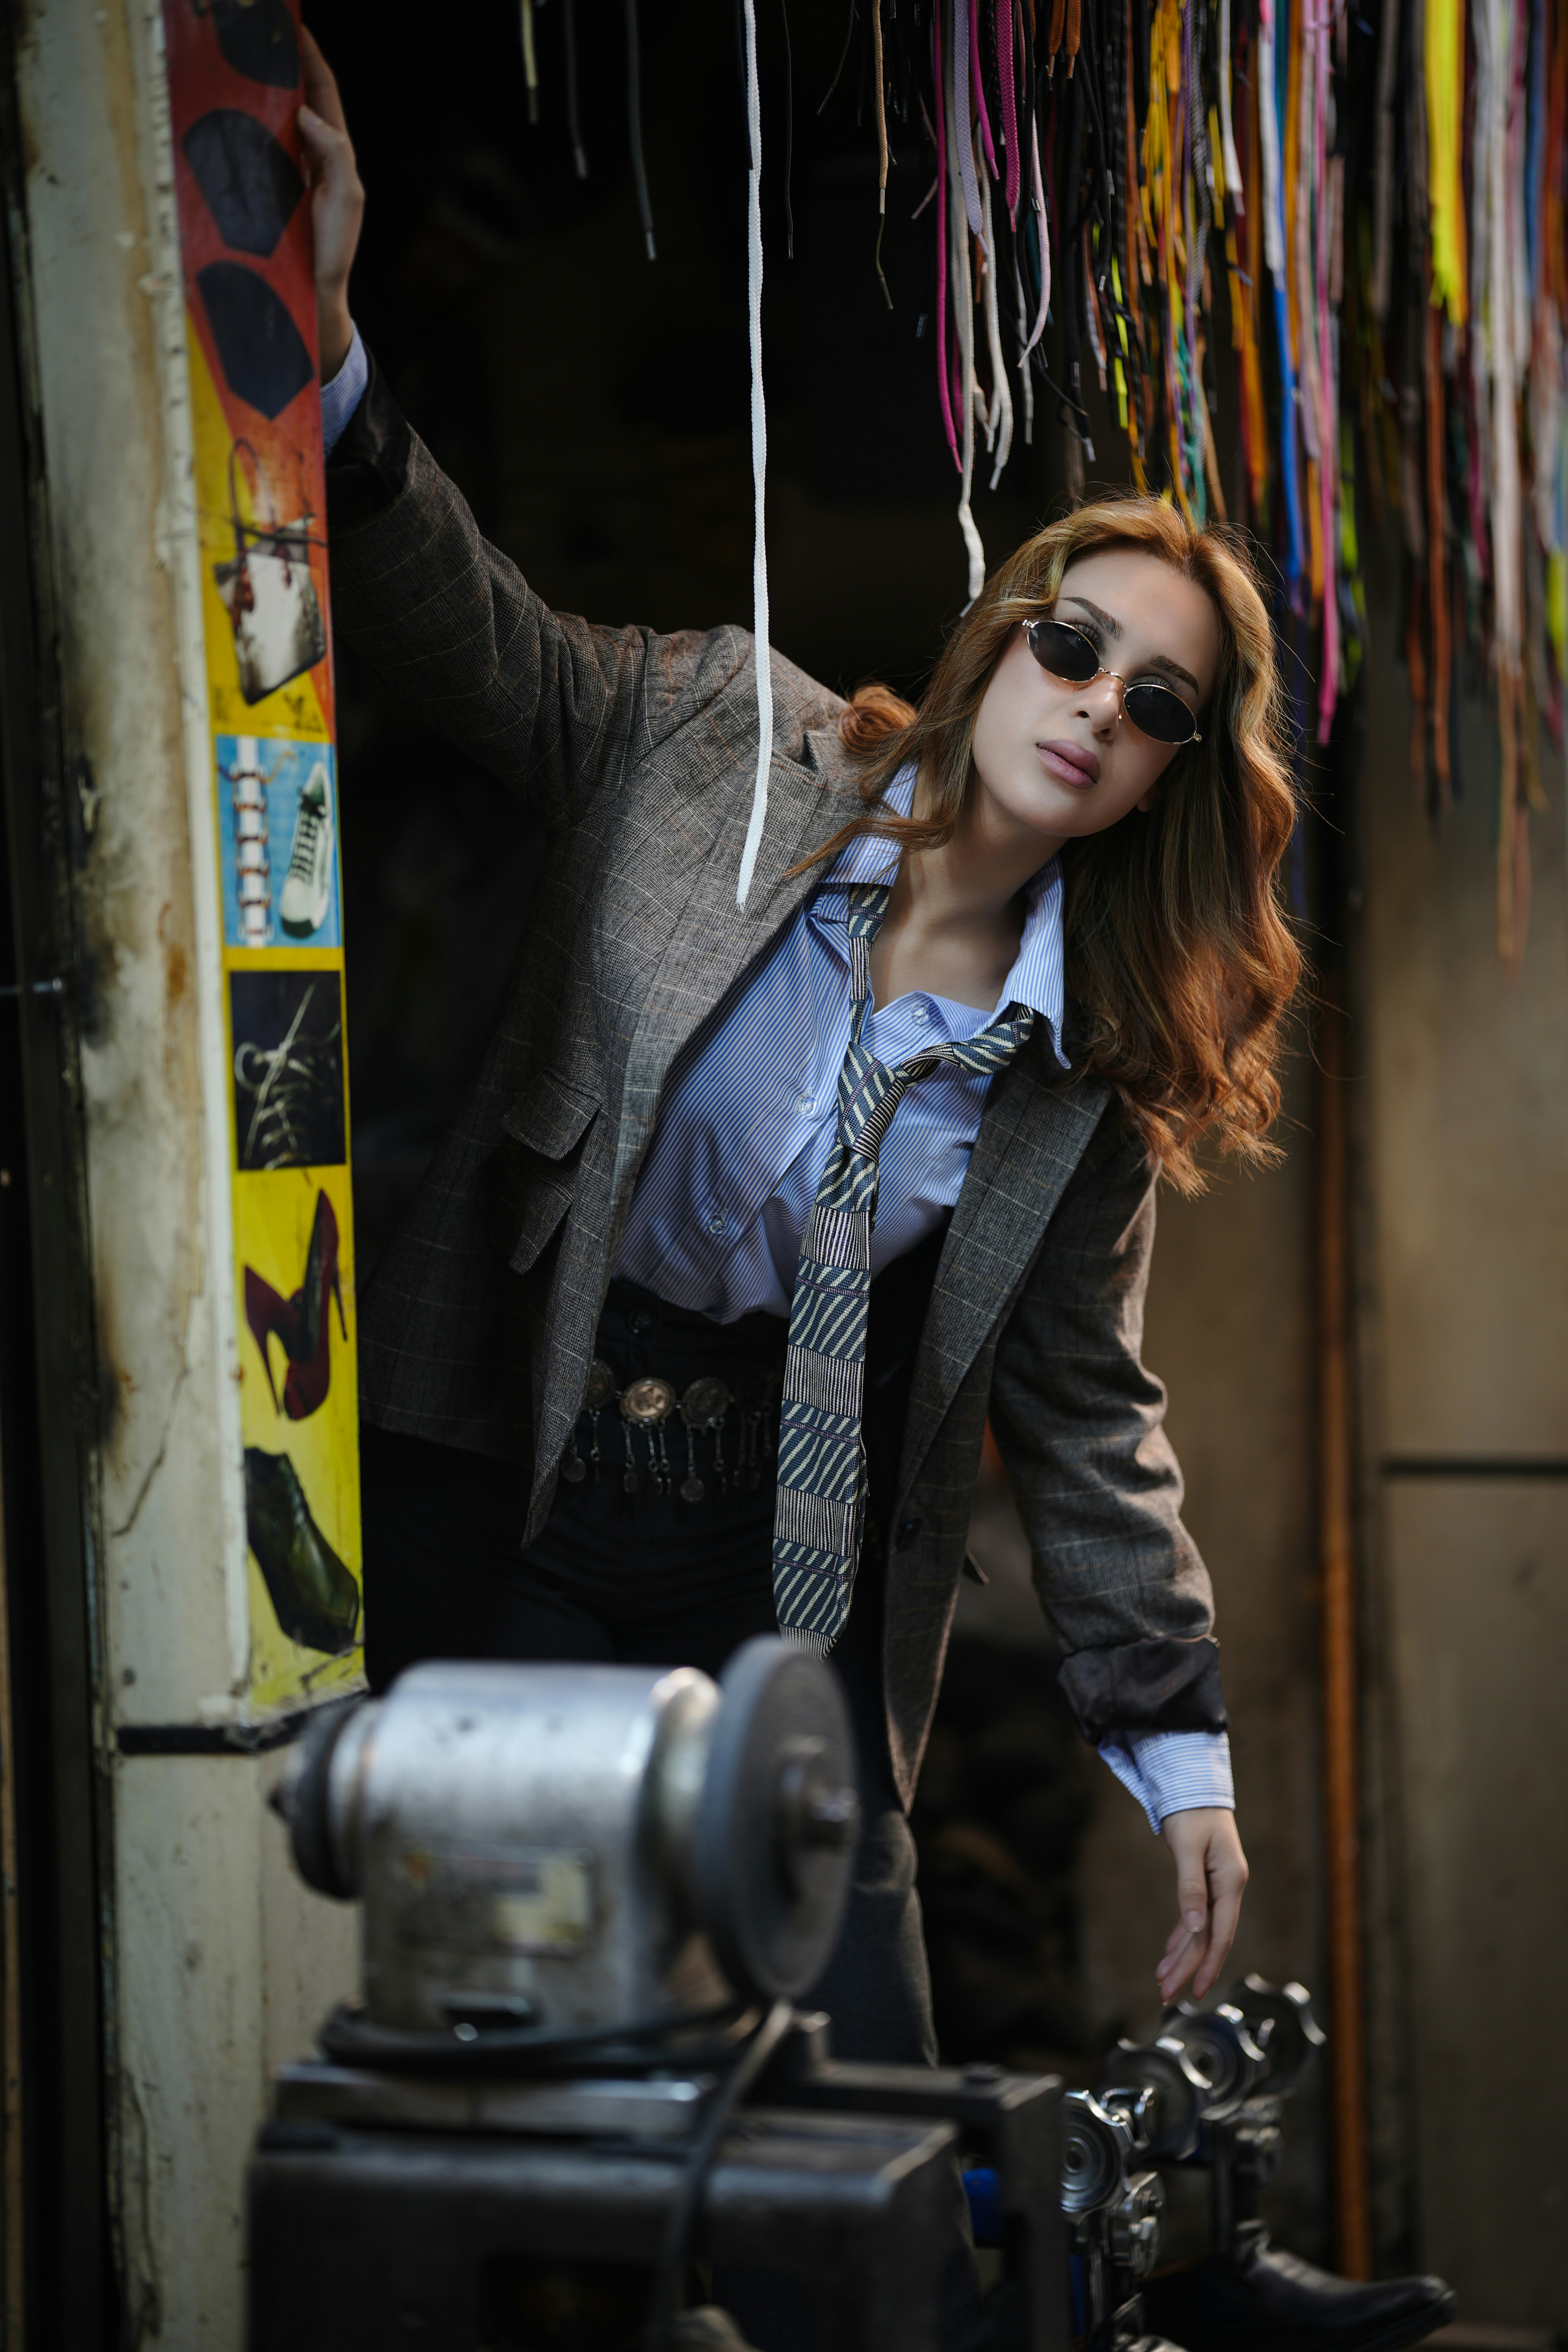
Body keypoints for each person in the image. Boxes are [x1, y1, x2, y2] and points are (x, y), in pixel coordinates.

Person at [296, 32, 1277, 2071]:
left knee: (859, 2088)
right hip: (552, 1485)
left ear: (1170, 776)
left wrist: (1180, 1751)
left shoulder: (1073, 1067)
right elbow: (462, 634)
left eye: (1161, 705)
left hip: (803, 1575)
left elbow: (1090, 1413)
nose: (1098, 705)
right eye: (1077, 644)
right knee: (506, 2040)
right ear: (1004, 634)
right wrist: (336, 346)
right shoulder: (718, 748)